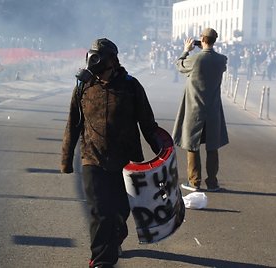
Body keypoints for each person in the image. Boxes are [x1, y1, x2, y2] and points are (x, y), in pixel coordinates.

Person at [61, 38, 159, 268]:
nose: (95, 65)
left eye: (100, 59)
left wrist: (163, 152)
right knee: (100, 211)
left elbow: (147, 123)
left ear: (113, 61)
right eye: (92, 58)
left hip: (125, 161)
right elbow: (73, 123)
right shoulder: (83, 86)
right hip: (92, 157)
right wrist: (66, 159)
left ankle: (115, 237)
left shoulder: (131, 86)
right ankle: (101, 260)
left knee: (120, 211)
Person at [173, 28, 229, 192]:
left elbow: (179, 65)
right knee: (212, 146)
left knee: (193, 145)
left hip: (194, 110)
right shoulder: (221, 60)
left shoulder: (194, 59)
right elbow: (215, 61)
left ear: (202, 40)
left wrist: (186, 50)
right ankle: (212, 183)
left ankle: (194, 182)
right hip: (213, 110)